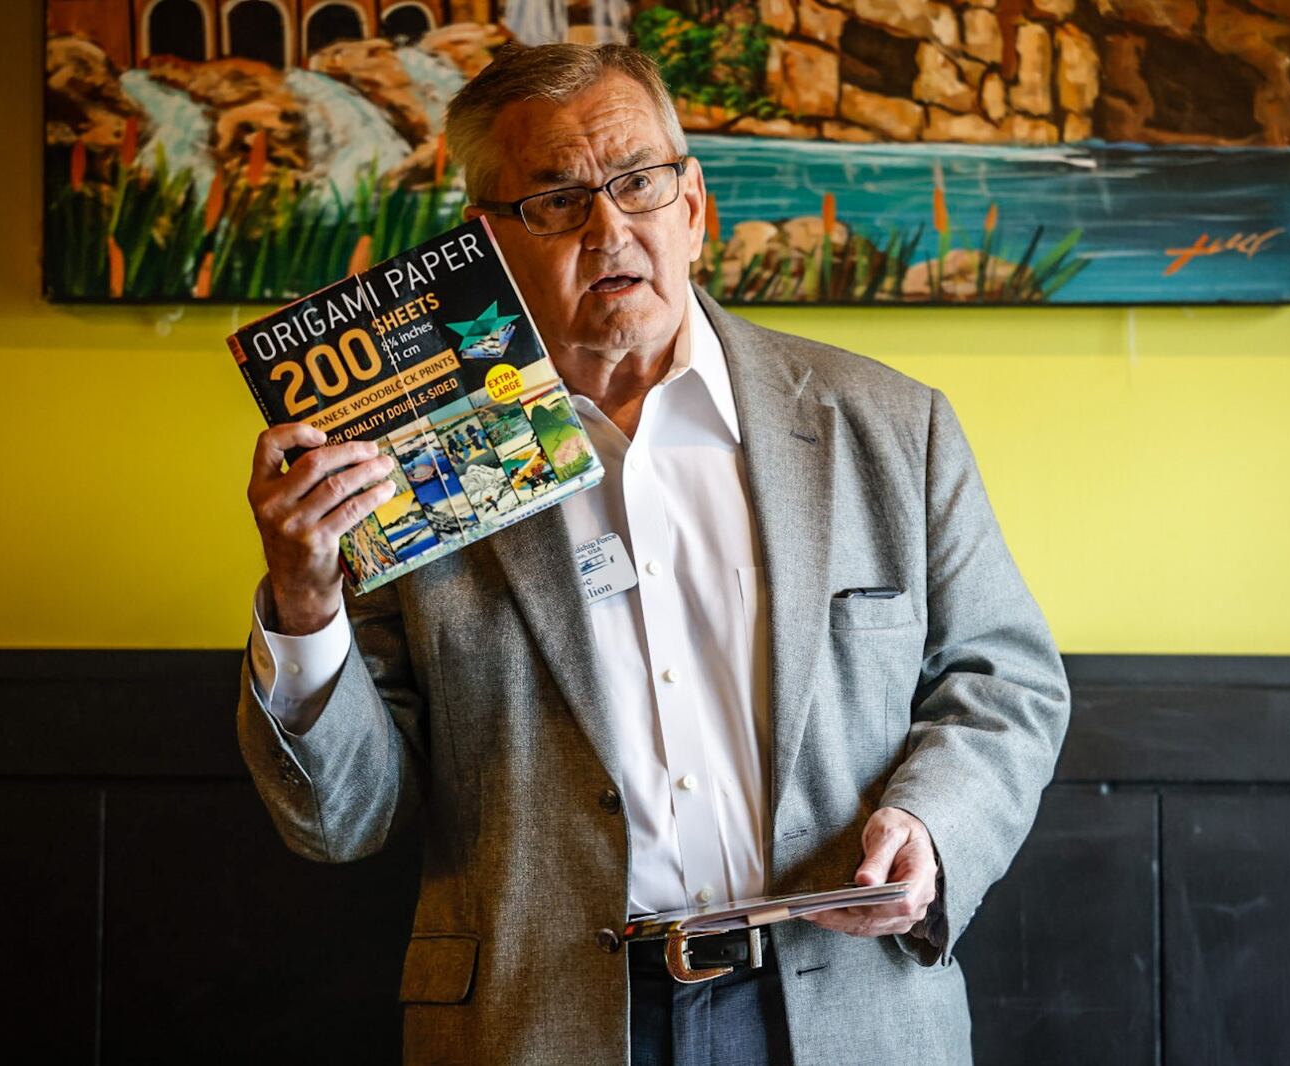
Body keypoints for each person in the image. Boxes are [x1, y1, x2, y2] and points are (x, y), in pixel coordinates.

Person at [237, 42, 1070, 1066]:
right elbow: (343, 818)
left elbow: (1006, 682)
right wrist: (305, 595)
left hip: (846, 1006)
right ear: (485, 243)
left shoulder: (891, 426)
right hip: (538, 1016)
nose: (608, 228)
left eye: (636, 182)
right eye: (554, 198)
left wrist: (933, 827)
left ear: (693, 209)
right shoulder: (406, 469)